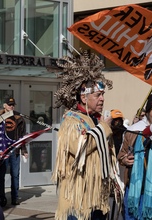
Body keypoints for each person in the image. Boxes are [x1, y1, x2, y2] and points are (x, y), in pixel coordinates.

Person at [50, 50, 123, 220]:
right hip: (78, 200)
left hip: (97, 197)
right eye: (98, 95)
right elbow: (80, 148)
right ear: (84, 98)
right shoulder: (71, 120)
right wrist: (105, 127)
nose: (102, 99)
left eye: (103, 95)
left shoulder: (96, 120)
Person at [0, 96, 28, 206]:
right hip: (3, 151)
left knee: (15, 175)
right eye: (9, 104)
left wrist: (24, 150)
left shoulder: (19, 118)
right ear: (4, 106)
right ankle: (1, 198)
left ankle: (15, 197)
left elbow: (22, 136)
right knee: (1, 175)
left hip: (15, 150)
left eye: (13, 105)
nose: (12, 106)